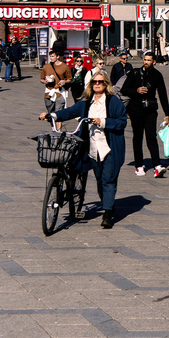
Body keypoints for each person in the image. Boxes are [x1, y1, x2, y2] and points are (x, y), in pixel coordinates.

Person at [40, 69, 128, 229]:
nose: (97, 84)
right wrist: (52, 116)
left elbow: (122, 122)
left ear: (106, 84)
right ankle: (108, 203)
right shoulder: (86, 101)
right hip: (92, 147)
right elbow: (70, 111)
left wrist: (102, 121)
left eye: (100, 82)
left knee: (108, 179)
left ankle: (107, 213)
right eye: (94, 82)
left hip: (109, 147)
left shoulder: (113, 102)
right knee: (100, 179)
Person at [116, 54, 169, 178]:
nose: (146, 62)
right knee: (138, 137)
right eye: (145, 60)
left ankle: (157, 165)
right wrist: (136, 90)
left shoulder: (157, 75)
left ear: (154, 62)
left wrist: (167, 114)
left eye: (148, 60)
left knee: (151, 137)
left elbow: (163, 95)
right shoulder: (135, 73)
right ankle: (139, 165)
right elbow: (124, 90)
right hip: (136, 110)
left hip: (150, 110)